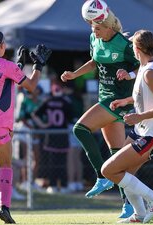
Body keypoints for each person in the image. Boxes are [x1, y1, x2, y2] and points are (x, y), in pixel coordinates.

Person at [60, 3, 139, 218]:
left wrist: (128, 73)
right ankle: (129, 205)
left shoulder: (123, 43)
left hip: (118, 101)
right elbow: (95, 62)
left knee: (80, 129)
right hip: (105, 98)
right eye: (91, 27)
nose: (93, 31)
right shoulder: (94, 38)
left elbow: (142, 65)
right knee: (117, 156)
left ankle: (101, 176)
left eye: (97, 28)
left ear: (109, 27)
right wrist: (75, 74)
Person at [0, 30, 51, 223]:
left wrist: (18, 65)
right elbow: (30, 85)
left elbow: (3, 80)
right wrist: (38, 65)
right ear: (1, 46)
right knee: (6, 165)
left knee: (8, 135)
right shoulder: (7, 66)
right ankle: (4, 208)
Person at [101, 29, 153, 223]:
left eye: (132, 44)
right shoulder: (146, 66)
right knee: (125, 175)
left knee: (108, 170)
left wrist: (138, 116)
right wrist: (125, 101)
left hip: (151, 134)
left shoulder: (151, 72)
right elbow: (143, 96)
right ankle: (139, 214)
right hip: (141, 129)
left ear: (137, 48)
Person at [31, 78, 73, 193]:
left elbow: (34, 114)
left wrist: (43, 125)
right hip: (62, 134)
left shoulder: (48, 101)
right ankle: (63, 185)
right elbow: (71, 118)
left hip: (51, 135)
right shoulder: (65, 102)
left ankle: (53, 185)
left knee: (52, 162)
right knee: (61, 161)